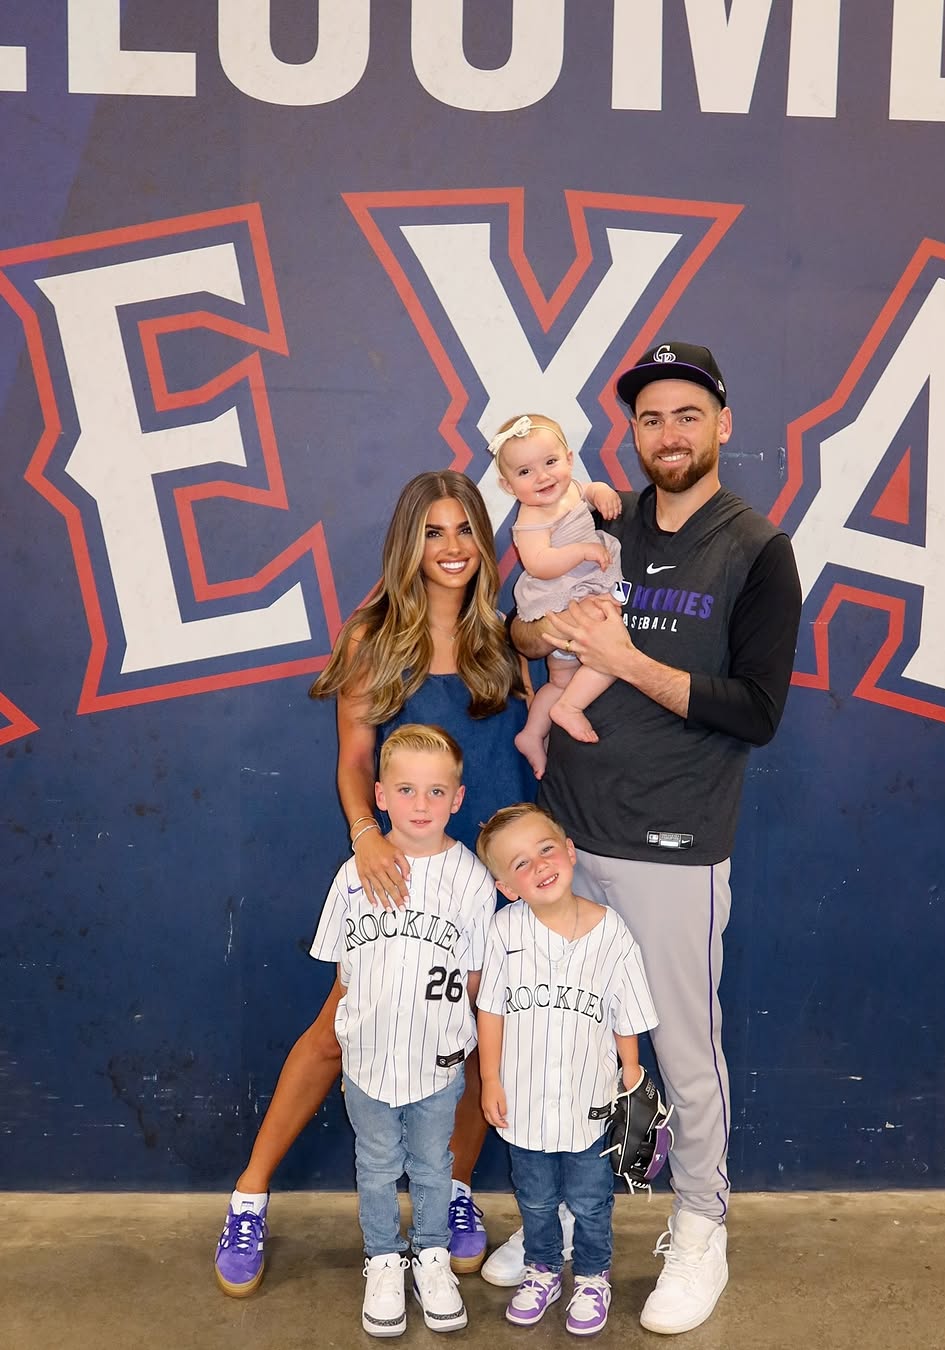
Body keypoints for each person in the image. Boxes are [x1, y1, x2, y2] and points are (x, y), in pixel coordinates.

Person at [499, 340, 803, 1335]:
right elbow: (516, 628)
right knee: (566, 1040)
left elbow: (757, 710)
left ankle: (702, 1225)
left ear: (722, 424)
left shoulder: (756, 548)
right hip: (567, 833)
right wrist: (549, 635)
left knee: (679, 1047)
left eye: (686, 414)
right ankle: (561, 1227)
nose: (667, 434)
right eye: (649, 418)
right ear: (629, 432)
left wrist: (625, 659)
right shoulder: (598, 514)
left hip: (672, 841)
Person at [214, 470, 536, 1297]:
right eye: (434, 531)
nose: (453, 547)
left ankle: (451, 1192)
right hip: (401, 868)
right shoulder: (374, 635)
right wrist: (366, 836)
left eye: (465, 530)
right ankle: (249, 1197)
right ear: (408, 544)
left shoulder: (508, 635)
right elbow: (356, 760)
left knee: (474, 1036)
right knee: (338, 1030)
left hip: (493, 874)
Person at [310, 724, 495, 1336]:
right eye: (407, 790)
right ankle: (384, 1259)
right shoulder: (353, 874)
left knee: (434, 1163)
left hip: (437, 1058)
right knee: (377, 1163)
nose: (421, 804)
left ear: (458, 798)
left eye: (436, 792)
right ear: (381, 795)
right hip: (368, 1057)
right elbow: (344, 969)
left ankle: (432, 1256)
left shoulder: (471, 878)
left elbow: (474, 977)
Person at [474, 803, 658, 1335]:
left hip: (589, 1102)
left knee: (591, 1201)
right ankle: (543, 1270)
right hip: (524, 1102)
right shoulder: (504, 930)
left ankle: (594, 1276)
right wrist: (489, 1078)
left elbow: (626, 1011)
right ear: (507, 887)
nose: (539, 866)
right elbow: (491, 1010)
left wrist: (631, 1072)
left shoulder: (612, 932)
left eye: (546, 849)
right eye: (520, 864)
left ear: (570, 852)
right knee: (535, 1199)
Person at [488, 413, 624, 778]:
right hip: (561, 597)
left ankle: (533, 733)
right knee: (612, 653)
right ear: (507, 485)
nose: (543, 477)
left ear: (569, 459)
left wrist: (601, 492)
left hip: (581, 591)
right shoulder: (530, 518)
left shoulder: (572, 490)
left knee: (560, 681)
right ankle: (569, 708)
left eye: (550, 462)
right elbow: (539, 563)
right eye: (525, 472)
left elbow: (589, 491)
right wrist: (581, 551)